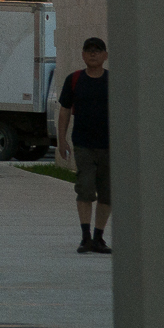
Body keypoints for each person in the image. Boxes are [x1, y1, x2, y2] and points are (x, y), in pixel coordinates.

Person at [58, 36, 111, 254]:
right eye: (88, 50)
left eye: (97, 50)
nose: (92, 54)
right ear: (82, 55)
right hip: (83, 145)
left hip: (110, 146)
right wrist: (62, 139)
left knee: (107, 194)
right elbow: (64, 111)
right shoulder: (75, 80)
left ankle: (99, 237)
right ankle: (85, 236)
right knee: (86, 189)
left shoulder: (112, 81)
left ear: (105, 56)